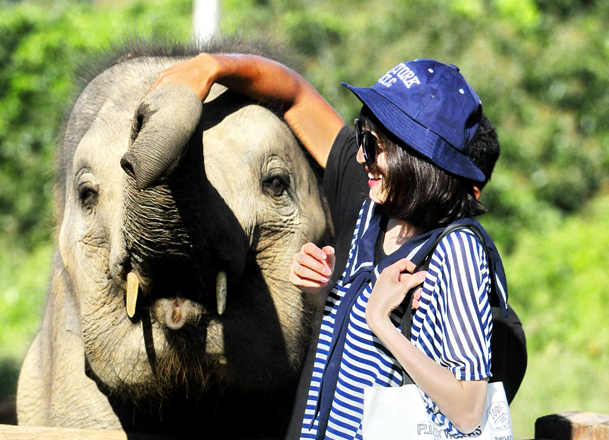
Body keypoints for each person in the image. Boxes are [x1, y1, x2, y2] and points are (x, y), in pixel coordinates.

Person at [151, 54, 510, 439]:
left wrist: (380, 323)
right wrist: (214, 66)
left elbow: (470, 410)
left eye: (372, 145)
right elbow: (295, 97)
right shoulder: (372, 208)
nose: (359, 156)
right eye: (360, 136)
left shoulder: (457, 251)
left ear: (416, 157)